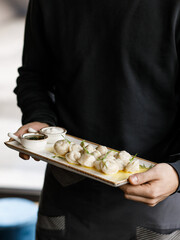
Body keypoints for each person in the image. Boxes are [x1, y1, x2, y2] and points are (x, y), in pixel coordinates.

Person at [14, 0, 180, 239]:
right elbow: (34, 75)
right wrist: (39, 119)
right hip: (66, 194)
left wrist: (177, 174)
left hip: (155, 197)